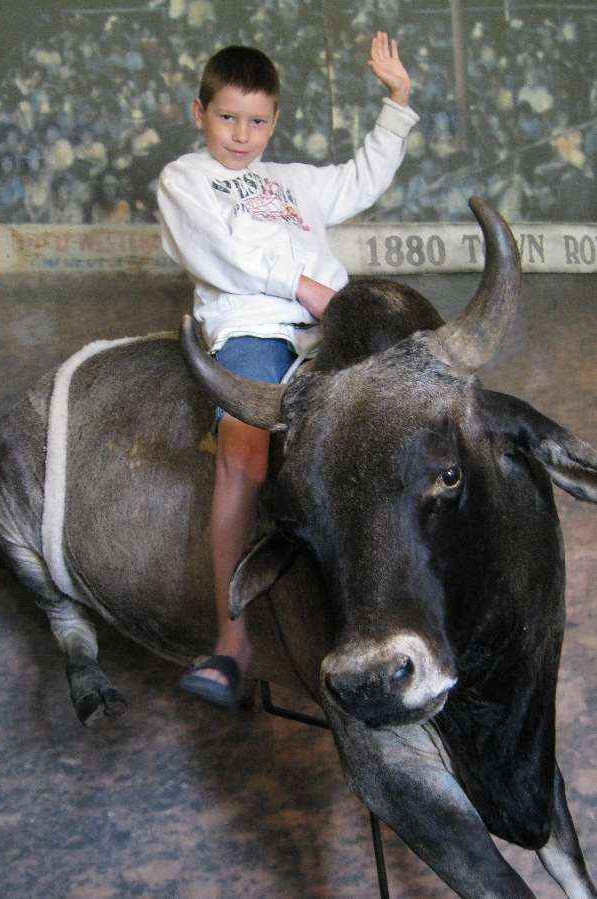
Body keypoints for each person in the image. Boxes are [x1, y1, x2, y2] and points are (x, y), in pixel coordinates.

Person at [157, 34, 417, 709]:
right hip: (254, 327)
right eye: (227, 118)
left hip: (325, 325)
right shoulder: (186, 179)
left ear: (274, 120)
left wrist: (397, 102)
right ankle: (231, 642)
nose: (242, 135)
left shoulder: (292, 182)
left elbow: (361, 179)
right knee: (243, 456)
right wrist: (306, 288)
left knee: (403, 423)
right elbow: (223, 252)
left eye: (257, 120)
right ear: (199, 112)